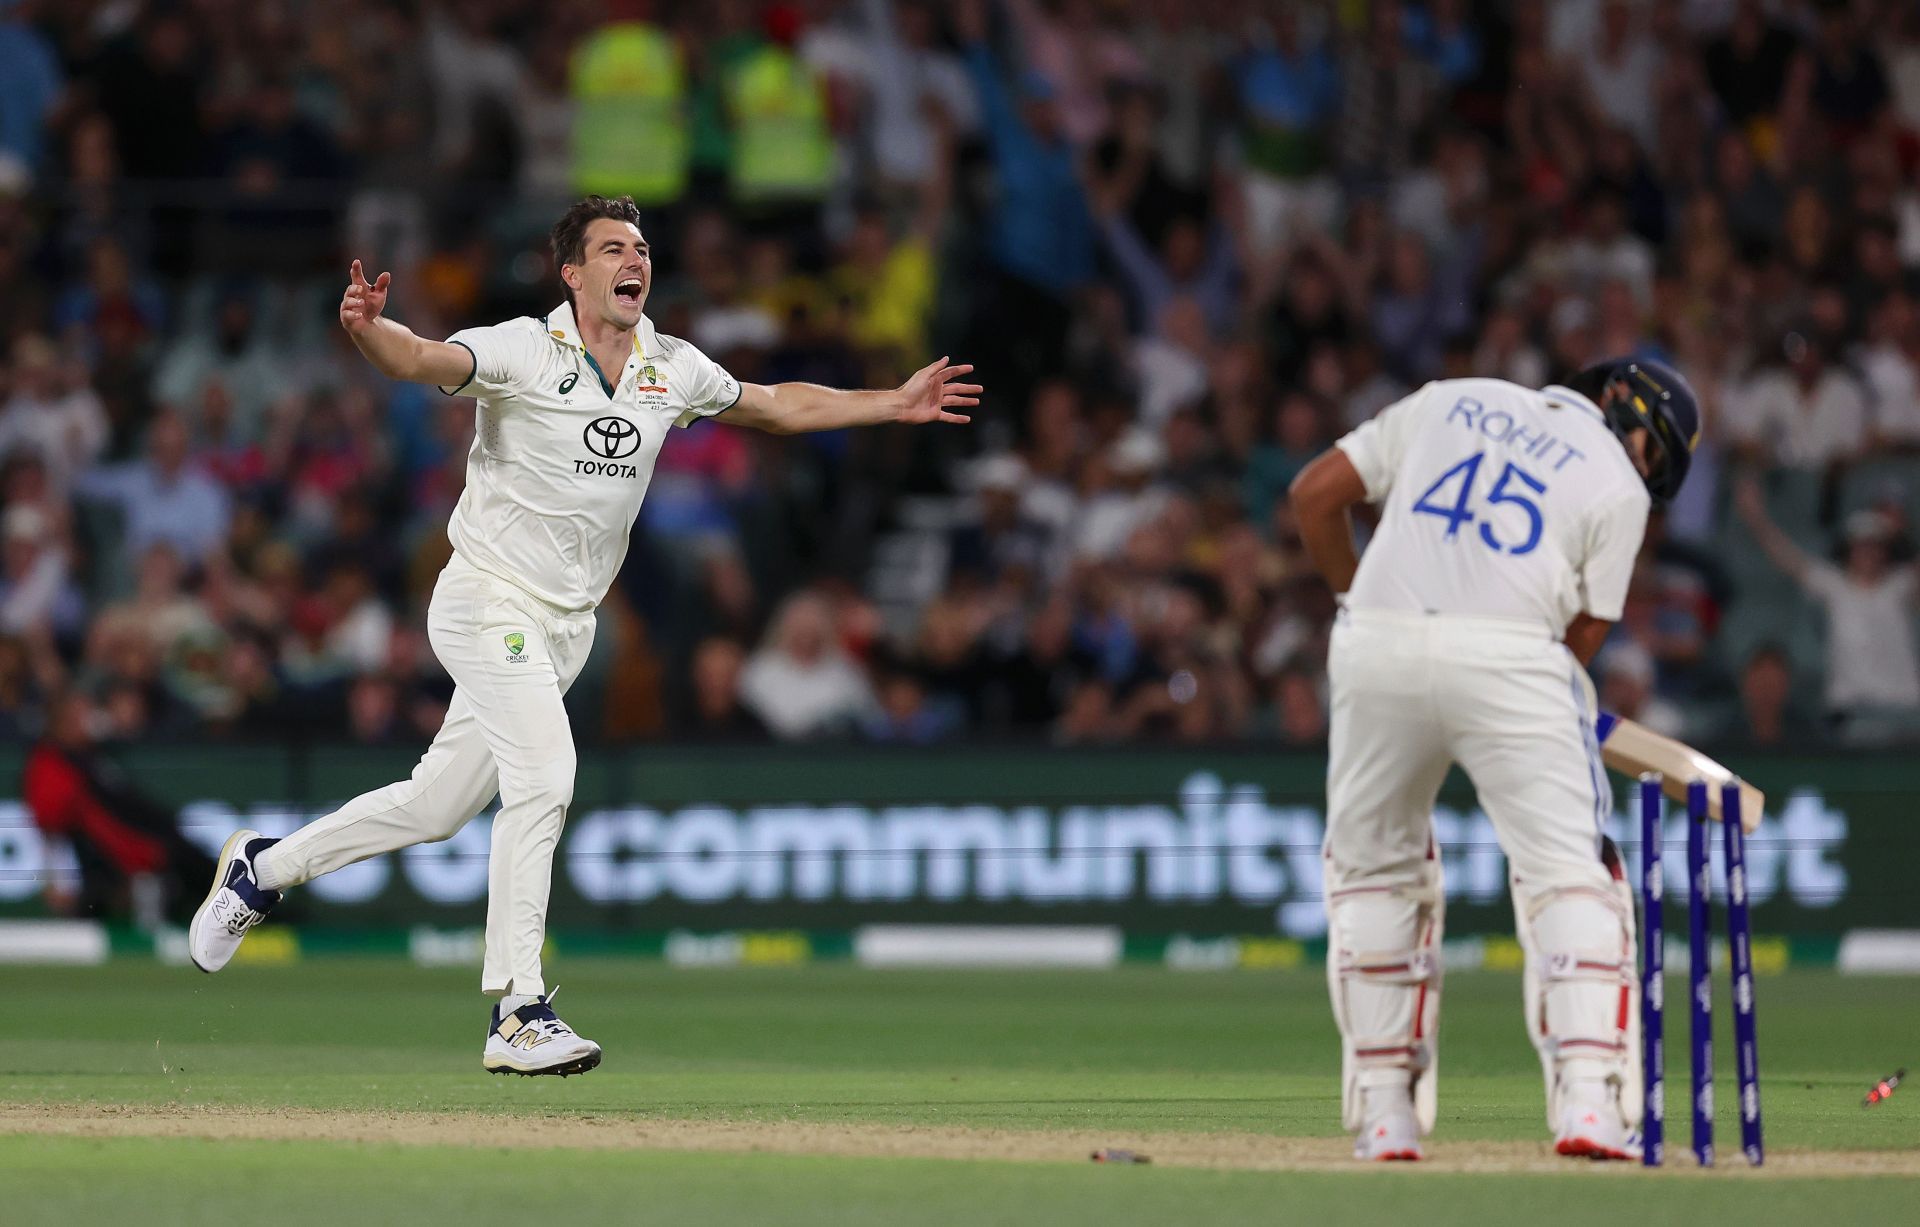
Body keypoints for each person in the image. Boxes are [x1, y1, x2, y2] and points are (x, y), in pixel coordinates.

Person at [187, 194, 979, 1077]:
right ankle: (517, 1008)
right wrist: (371, 330)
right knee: (547, 774)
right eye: (612, 248)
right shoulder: (522, 349)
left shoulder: (668, 366)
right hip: (486, 599)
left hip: (566, 628)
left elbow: (774, 405)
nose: (633, 259)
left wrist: (891, 402)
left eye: (641, 247)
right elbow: (419, 356)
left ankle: (262, 866)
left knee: (437, 805)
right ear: (574, 274)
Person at [1289, 357, 1699, 1161]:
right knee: (1570, 873)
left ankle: (1384, 1115)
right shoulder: (1617, 488)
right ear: (1624, 410)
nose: (1643, 467)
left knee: (1374, 867)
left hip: (1375, 642)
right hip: (1515, 655)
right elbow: (1580, 642)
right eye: (1655, 453)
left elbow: (1312, 495)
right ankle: (1588, 1103)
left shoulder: (1452, 398)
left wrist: (1360, 596)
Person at [1734, 480, 1920, 733]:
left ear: (1885, 550)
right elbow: (1789, 559)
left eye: (1875, 545)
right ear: (1850, 549)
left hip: (1904, 709)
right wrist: (1756, 517)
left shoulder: (1900, 586)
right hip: (1851, 711)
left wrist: (1900, 530)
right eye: (1861, 545)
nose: (1867, 553)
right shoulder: (1835, 586)